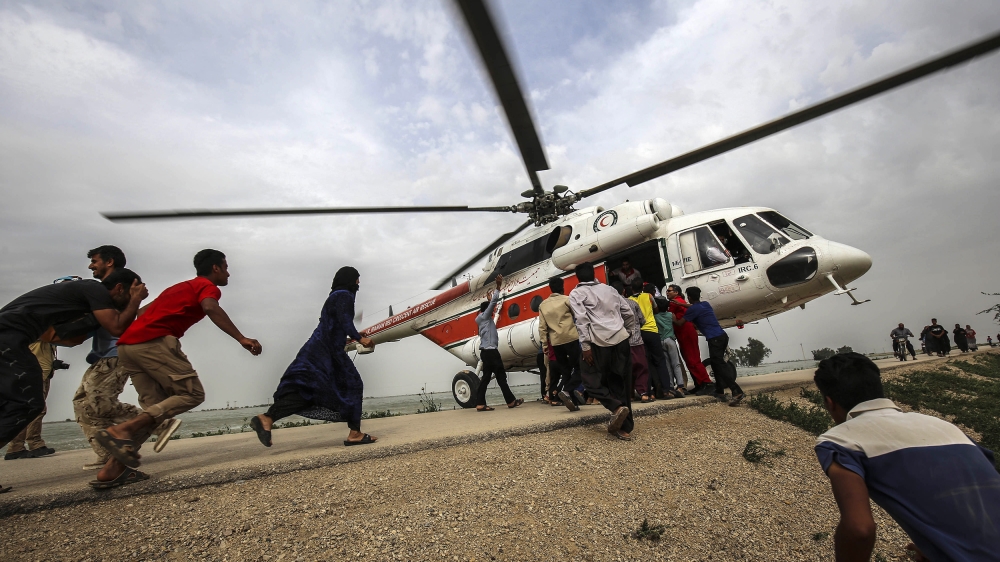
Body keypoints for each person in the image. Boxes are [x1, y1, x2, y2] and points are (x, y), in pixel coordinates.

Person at [93, 249, 262, 489]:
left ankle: (112, 469)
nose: (228, 273)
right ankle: (123, 429)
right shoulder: (207, 286)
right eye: (226, 268)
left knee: (155, 410)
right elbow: (210, 307)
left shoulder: (178, 288)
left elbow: (142, 312)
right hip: (152, 342)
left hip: (127, 347)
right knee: (192, 394)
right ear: (215, 268)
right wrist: (241, 338)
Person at [813, 353, 1000, 561]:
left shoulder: (840, 440)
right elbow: (981, 491)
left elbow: (860, 529)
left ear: (830, 402)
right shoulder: (945, 427)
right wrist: (938, 546)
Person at [0, 269, 147, 493]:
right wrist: (135, 300)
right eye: (129, 294)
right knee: (27, 403)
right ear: (119, 288)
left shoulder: (83, 299)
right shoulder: (94, 288)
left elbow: (66, 339)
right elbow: (117, 327)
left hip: (11, 337)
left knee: (12, 404)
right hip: (8, 337)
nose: (128, 301)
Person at [251, 267, 377, 449]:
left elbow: (332, 326)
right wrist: (359, 338)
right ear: (350, 279)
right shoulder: (344, 295)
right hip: (326, 353)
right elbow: (344, 320)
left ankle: (267, 418)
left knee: (308, 390)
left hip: (316, 349)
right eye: (357, 278)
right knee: (354, 384)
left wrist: (352, 335)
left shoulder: (334, 296)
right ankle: (355, 433)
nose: (358, 282)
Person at [73, 245, 150, 470]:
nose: (91, 266)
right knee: (83, 403)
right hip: (103, 354)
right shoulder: (100, 291)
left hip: (116, 352)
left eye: (95, 261)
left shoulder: (125, 285)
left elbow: (127, 317)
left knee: (100, 403)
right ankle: (108, 454)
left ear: (109, 262)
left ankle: (155, 420)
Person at [569, 262, 636, 440]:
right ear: (593, 274)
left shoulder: (576, 293)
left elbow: (581, 320)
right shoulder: (610, 289)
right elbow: (628, 313)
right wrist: (628, 332)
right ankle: (625, 429)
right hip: (621, 339)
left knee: (590, 381)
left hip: (599, 343)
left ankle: (616, 407)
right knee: (620, 382)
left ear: (577, 277)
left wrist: (585, 347)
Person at [674, 287, 745, 405]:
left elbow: (680, 323)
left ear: (689, 297)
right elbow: (693, 307)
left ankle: (737, 391)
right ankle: (720, 392)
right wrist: (682, 304)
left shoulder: (693, 310)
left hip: (714, 339)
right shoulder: (705, 304)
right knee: (715, 364)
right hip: (722, 336)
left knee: (719, 365)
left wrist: (671, 316)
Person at [3, 341, 64, 460]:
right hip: (35, 375)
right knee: (38, 409)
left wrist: (53, 364)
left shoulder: (45, 339)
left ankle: (16, 447)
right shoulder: (41, 334)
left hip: (43, 374)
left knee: (27, 410)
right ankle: (35, 444)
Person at [472, 274, 522, 411]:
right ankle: (511, 401)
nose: (493, 312)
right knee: (501, 377)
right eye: (491, 311)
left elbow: (490, 306)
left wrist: (489, 302)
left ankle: (480, 403)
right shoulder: (485, 318)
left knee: (486, 378)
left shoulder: (482, 320)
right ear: (486, 311)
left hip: (486, 353)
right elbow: (494, 303)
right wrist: (498, 287)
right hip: (491, 352)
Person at [537, 276, 582, 411]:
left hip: (556, 342)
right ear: (562, 287)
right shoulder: (567, 300)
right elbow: (578, 316)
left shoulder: (543, 305)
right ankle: (567, 390)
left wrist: (545, 345)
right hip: (571, 338)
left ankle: (573, 402)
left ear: (550, 289)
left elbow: (542, 328)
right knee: (580, 368)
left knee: (565, 371)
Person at [630, 279, 677, 399]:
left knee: (645, 363)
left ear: (631, 288)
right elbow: (656, 310)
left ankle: (649, 392)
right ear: (642, 288)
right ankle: (666, 390)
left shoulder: (629, 300)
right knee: (660, 361)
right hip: (652, 331)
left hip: (638, 334)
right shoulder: (649, 296)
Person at [665, 285, 713, 394]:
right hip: (684, 334)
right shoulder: (680, 302)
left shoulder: (675, 302)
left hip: (686, 333)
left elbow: (668, 315)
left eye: (669, 291)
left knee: (693, 359)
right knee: (690, 360)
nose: (667, 292)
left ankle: (706, 382)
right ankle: (699, 384)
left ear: (676, 292)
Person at [612, 280, 652, 403]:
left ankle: (629, 395)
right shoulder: (632, 303)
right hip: (636, 341)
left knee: (624, 370)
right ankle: (643, 393)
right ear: (624, 291)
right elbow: (642, 320)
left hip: (619, 343)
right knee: (641, 367)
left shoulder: (609, 306)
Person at [653, 296, 686, 395]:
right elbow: (676, 322)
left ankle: (670, 386)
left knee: (667, 365)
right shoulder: (671, 315)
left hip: (661, 341)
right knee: (676, 364)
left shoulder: (655, 316)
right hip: (670, 340)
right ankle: (680, 386)